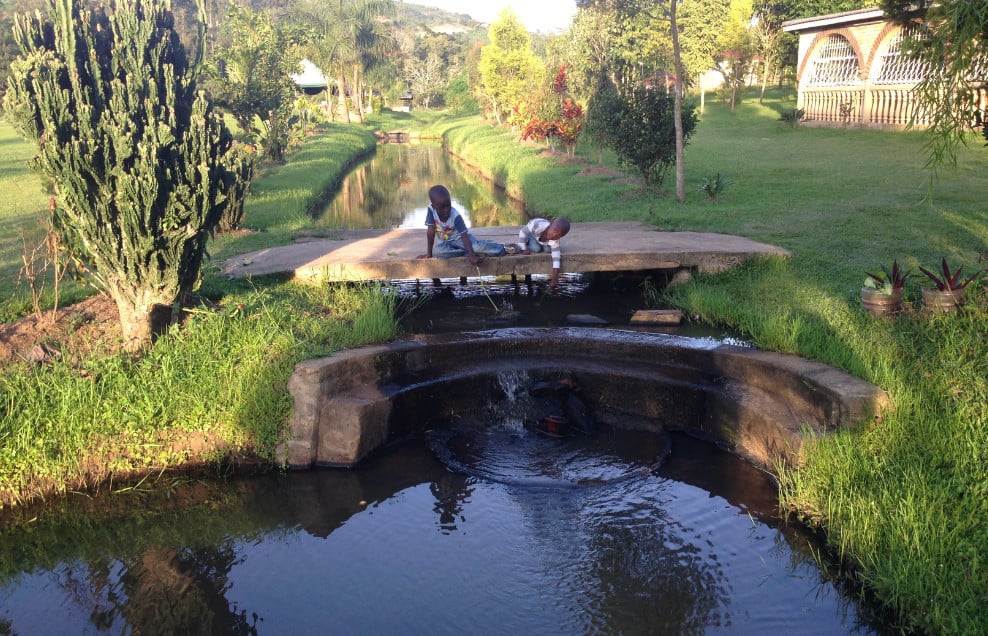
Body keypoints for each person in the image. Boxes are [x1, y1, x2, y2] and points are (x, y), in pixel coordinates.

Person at [416, 185, 505, 266]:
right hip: (446, 244)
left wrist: (472, 255)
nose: (446, 210)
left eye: (448, 206)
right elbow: (430, 231)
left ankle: (502, 248)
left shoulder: (455, 216)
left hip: (462, 241)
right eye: (442, 208)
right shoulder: (431, 210)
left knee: (477, 248)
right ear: (434, 206)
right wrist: (429, 254)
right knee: (437, 252)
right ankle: (465, 252)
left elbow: (464, 236)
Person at [515, 217, 571, 288]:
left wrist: (554, 279)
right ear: (551, 223)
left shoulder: (555, 240)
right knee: (536, 249)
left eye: (558, 235)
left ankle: (539, 243)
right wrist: (523, 249)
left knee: (548, 250)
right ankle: (522, 244)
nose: (554, 235)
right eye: (555, 230)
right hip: (532, 234)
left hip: (541, 239)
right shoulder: (537, 225)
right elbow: (522, 232)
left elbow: (556, 259)